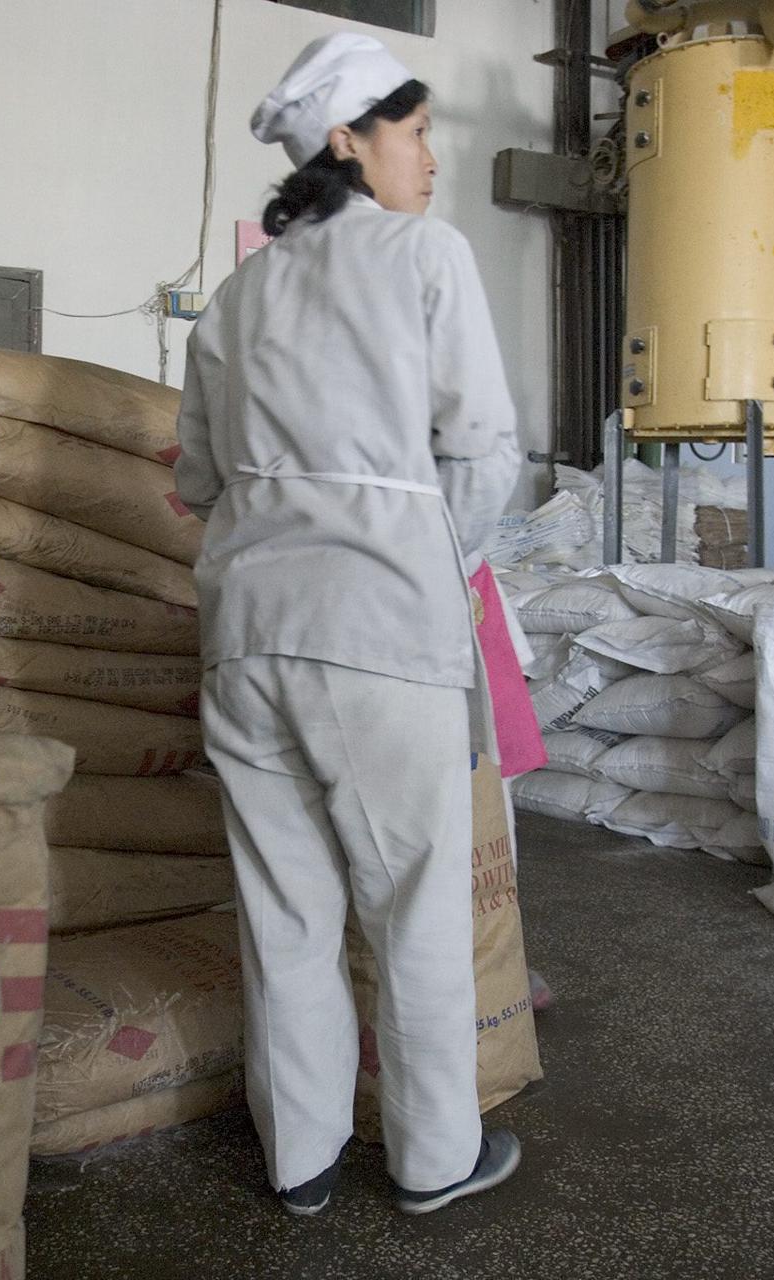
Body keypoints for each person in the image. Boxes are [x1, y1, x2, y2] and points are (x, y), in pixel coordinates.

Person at [174, 31, 522, 1217]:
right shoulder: (424, 256)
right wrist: (431, 562)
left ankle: (302, 1159)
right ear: (348, 140)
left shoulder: (231, 300)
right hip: (380, 628)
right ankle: (432, 1157)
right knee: (415, 903)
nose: (430, 157)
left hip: (244, 633)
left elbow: (198, 485)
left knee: (284, 910)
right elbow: (482, 453)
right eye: (415, 131)